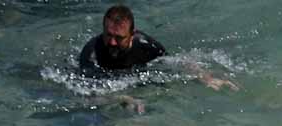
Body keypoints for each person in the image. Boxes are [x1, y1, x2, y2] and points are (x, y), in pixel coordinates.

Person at [77, 5, 235, 89]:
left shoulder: (145, 44)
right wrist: (119, 98)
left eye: (119, 38)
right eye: (108, 35)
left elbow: (174, 62)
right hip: (107, 80)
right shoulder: (91, 53)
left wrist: (204, 77)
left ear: (132, 34)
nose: (112, 42)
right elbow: (89, 89)